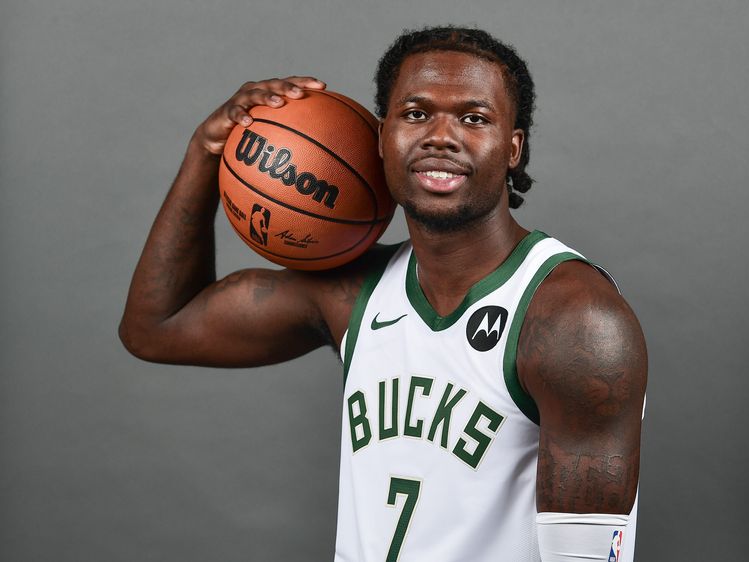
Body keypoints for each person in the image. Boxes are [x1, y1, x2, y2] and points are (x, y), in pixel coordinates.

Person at [120, 26, 647, 562]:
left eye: (474, 118)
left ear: (513, 149)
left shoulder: (573, 319)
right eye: (416, 114)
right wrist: (205, 153)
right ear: (379, 138)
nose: (441, 135)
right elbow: (157, 328)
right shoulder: (353, 292)